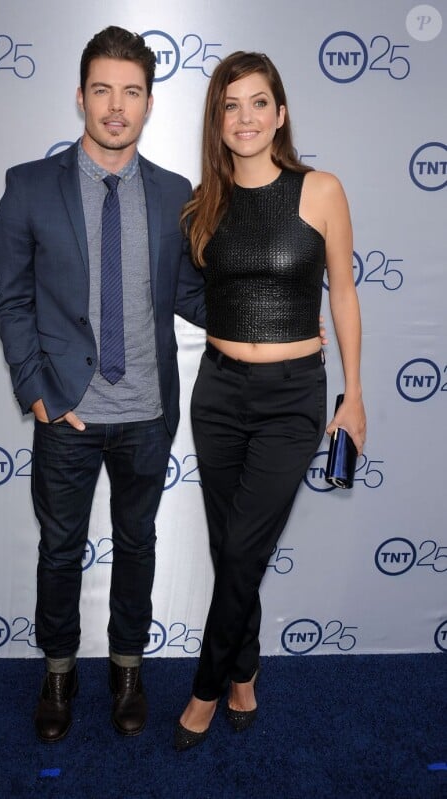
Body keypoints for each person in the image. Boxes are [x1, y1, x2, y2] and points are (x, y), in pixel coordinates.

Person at [0, 26, 207, 742]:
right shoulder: (28, 187)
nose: (116, 106)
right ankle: (58, 670)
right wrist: (37, 391)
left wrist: (277, 310)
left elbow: (194, 296)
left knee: (137, 544)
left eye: (132, 92)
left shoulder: (176, 194)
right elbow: (14, 300)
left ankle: (126, 666)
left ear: (149, 103)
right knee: (59, 550)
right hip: (68, 414)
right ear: (80, 95)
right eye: (102, 90)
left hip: (147, 414)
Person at [174, 51, 366, 751]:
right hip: (218, 393)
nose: (245, 117)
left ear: (280, 113)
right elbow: (195, 293)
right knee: (233, 547)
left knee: (246, 544)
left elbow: (342, 291)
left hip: (293, 399)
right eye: (231, 105)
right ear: (217, 121)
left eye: (259, 103)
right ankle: (245, 670)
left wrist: (354, 396)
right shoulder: (204, 204)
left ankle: (204, 685)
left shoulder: (320, 189)